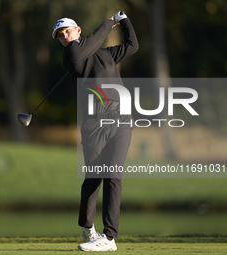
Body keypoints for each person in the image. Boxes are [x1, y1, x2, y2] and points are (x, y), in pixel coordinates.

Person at [52, 11, 138, 251]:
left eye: (67, 31)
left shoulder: (105, 54)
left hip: (121, 121)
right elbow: (95, 39)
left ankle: (109, 238)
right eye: (60, 35)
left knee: (113, 175)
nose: (64, 37)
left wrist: (125, 21)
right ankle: (88, 226)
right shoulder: (70, 54)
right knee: (94, 179)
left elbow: (133, 46)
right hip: (94, 125)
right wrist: (110, 21)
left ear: (78, 30)